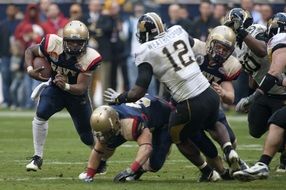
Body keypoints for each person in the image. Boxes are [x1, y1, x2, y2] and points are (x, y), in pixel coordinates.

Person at [104, 12, 238, 181]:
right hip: (209, 94)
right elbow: (200, 46)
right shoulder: (178, 31)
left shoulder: (145, 51)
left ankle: (206, 172)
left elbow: (137, 92)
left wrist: (119, 98)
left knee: (177, 137)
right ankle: (229, 150)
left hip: (188, 101)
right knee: (213, 122)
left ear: (144, 34)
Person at [24, 20, 102, 171]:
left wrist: (66, 85)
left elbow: (81, 88)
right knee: (41, 113)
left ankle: (100, 160)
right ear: (64, 40)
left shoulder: (91, 57)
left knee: (86, 135)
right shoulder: (52, 43)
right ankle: (37, 157)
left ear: (86, 42)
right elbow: (30, 51)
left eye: (79, 42)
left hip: (76, 96)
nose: (74, 46)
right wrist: (29, 69)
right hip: (55, 89)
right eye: (71, 42)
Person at [224, 8, 286, 171]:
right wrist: (252, 88)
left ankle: (283, 156)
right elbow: (253, 69)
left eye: (233, 24)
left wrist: (242, 31)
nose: (231, 28)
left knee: (278, 123)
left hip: (281, 91)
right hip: (265, 90)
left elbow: (261, 50)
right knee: (256, 129)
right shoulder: (236, 45)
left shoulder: (255, 30)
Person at [192, 25, 248, 173]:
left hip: (211, 106)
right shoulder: (196, 48)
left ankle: (228, 162)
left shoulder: (229, 65)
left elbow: (231, 98)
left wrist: (223, 93)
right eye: (219, 47)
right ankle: (217, 170)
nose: (221, 52)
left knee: (232, 140)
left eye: (225, 50)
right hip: (189, 103)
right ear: (210, 42)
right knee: (201, 143)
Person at [79, 95, 173, 182]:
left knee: (155, 164)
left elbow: (146, 148)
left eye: (106, 131)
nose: (103, 136)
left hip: (164, 120)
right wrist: (89, 174)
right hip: (138, 116)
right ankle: (101, 164)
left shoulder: (132, 123)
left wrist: (130, 170)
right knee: (108, 143)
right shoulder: (109, 118)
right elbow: (98, 150)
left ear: (116, 123)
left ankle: (139, 170)